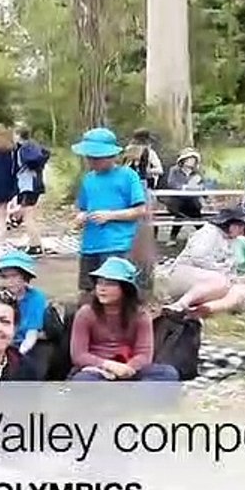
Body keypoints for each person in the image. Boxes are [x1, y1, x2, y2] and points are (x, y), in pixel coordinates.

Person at [68, 258, 180, 382]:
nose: (102, 288)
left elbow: (144, 354)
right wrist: (107, 365)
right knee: (83, 380)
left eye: (110, 284)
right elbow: (79, 355)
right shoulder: (86, 313)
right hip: (96, 370)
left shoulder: (140, 315)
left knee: (167, 373)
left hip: (129, 368)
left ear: (125, 288)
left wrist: (128, 368)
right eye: (99, 283)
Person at [71, 128, 148, 295]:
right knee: (88, 291)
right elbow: (83, 208)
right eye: (89, 157)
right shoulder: (88, 179)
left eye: (97, 157)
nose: (92, 161)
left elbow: (140, 210)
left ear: (111, 156)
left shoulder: (128, 176)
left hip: (118, 245)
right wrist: (80, 217)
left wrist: (111, 215)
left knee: (118, 290)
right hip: (90, 245)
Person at [159, 207, 245, 316]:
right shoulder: (209, 233)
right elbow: (197, 257)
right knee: (219, 281)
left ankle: (199, 310)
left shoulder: (232, 241)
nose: (241, 230)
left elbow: (230, 271)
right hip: (184, 273)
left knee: (237, 292)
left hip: (211, 280)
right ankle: (181, 304)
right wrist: (219, 271)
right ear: (229, 224)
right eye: (239, 226)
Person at [0, 251, 52, 377]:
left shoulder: (36, 298)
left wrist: (16, 356)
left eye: (14, 276)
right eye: (5, 277)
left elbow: (31, 335)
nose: (10, 281)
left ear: (25, 277)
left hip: (27, 345)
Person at [14, 127, 51, 255]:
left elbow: (28, 163)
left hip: (28, 185)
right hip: (34, 184)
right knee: (29, 215)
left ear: (19, 135)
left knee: (28, 217)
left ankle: (35, 245)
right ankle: (35, 242)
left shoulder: (25, 148)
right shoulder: (34, 146)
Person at [160, 147, 205, 242]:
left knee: (193, 211)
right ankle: (174, 237)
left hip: (192, 201)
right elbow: (171, 183)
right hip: (177, 201)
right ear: (183, 160)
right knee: (182, 212)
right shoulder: (174, 171)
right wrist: (185, 187)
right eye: (189, 159)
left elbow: (202, 186)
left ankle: (203, 236)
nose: (192, 161)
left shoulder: (197, 173)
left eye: (193, 159)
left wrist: (198, 188)